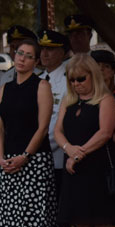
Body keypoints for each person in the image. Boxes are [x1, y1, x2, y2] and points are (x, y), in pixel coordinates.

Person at [0, 38, 57, 227]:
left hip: (34, 160)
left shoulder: (41, 85)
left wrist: (25, 156)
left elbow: (43, 127)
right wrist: (0, 156)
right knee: (17, 219)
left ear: (36, 61)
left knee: (36, 218)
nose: (21, 58)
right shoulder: (5, 87)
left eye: (28, 55)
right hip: (8, 159)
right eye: (19, 53)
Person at [54, 54, 115, 227]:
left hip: (97, 168)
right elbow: (57, 130)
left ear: (93, 75)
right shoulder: (69, 101)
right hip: (74, 168)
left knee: (101, 222)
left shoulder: (105, 100)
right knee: (81, 224)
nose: (76, 84)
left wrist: (78, 154)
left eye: (81, 78)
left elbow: (104, 133)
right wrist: (67, 149)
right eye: (72, 80)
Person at [38, 29, 70, 172]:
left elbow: (61, 120)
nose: (44, 53)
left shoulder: (68, 81)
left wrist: (39, 144)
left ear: (62, 53)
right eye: (42, 48)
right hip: (35, 154)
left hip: (56, 155)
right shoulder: (38, 79)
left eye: (50, 49)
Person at [91, 49, 115, 145]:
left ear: (112, 71)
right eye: (96, 65)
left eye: (106, 66)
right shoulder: (84, 95)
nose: (101, 69)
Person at [0, 24, 37, 90]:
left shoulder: (41, 76)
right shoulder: (6, 77)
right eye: (12, 47)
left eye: (19, 47)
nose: (15, 51)